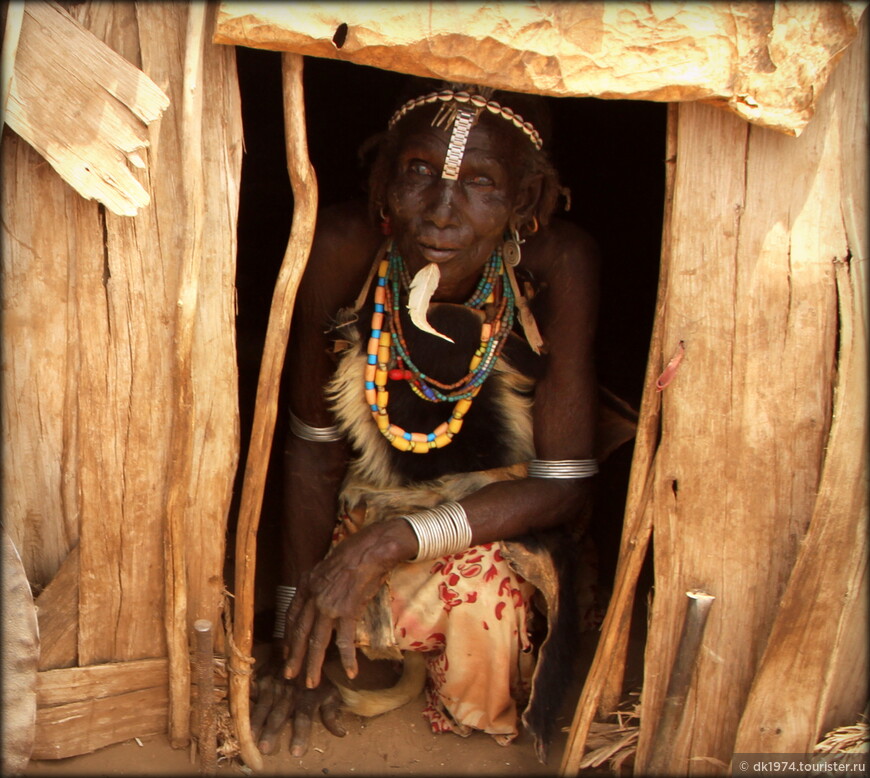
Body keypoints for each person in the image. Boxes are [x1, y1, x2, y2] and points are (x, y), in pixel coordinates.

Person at [252, 81, 601, 763]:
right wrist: (295, 635)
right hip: (372, 504)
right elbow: (313, 450)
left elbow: (566, 484)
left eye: (482, 184)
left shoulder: (558, 263)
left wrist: (389, 543)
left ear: (523, 202)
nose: (443, 212)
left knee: (484, 610)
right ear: (383, 181)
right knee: (339, 633)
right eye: (419, 173)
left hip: (500, 521)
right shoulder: (345, 246)